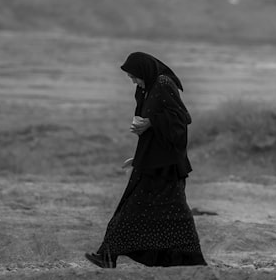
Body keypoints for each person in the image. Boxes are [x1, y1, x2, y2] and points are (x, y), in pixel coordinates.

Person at [85, 52, 207, 268]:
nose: (133, 81)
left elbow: (181, 120)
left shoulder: (163, 83)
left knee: (170, 216)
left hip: (167, 168)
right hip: (152, 163)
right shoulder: (147, 88)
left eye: (134, 76)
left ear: (144, 72)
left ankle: (190, 263)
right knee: (133, 211)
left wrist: (151, 123)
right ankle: (108, 256)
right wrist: (139, 156)